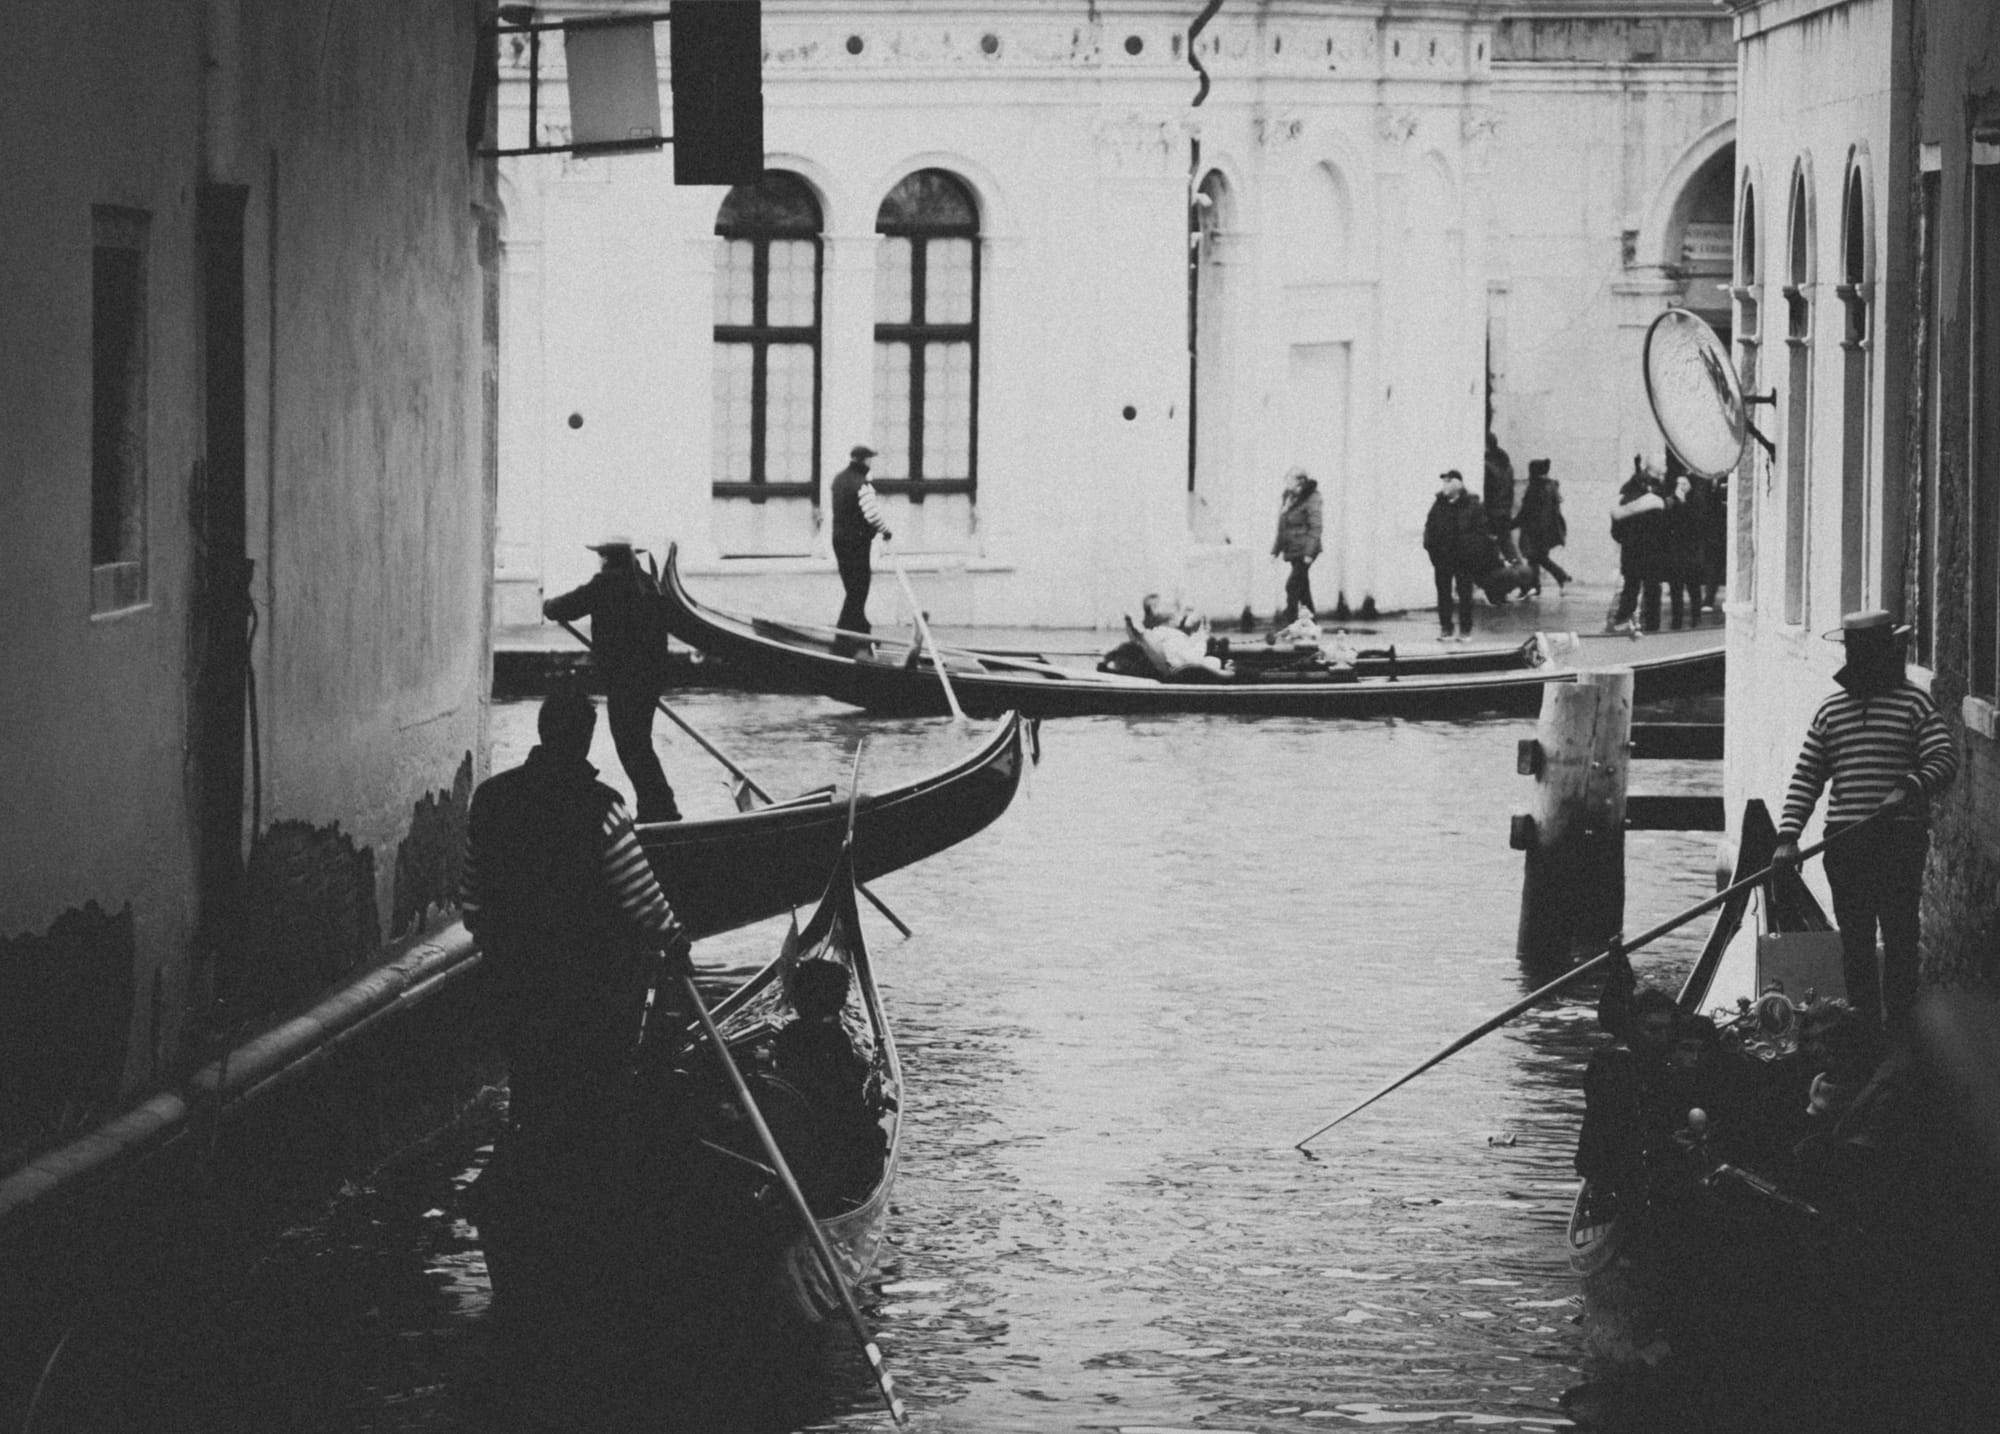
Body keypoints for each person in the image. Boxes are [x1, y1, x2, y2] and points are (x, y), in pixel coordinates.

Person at [1773, 611, 1959, 1032]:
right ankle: (1864, 1031)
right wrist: (1788, 837)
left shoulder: (1915, 703)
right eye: (1855, 650)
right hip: (1845, 841)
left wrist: (1908, 787)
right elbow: (1807, 776)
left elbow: (1944, 758)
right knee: (1855, 942)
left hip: (1899, 836)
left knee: (1899, 937)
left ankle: (1901, 1031)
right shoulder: (1831, 711)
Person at [542, 537, 681, 822]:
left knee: (631, 746)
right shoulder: (647, 583)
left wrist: (546, 604)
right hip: (650, 678)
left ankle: (659, 808)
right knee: (639, 743)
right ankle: (657, 806)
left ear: (606, 558)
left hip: (624, 679)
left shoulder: (606, 584)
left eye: (601, 556)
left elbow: (561, 608)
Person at [829, 443, 892, 656]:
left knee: (852, 587)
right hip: (857, 543)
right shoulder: (862, 485)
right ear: (864, 460)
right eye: (870, 459)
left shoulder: (838, 480)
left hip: (839, 541)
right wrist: (886, 531)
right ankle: (846, 636)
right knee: (859, 588)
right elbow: (872, 514)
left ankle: (859, 631)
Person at [1422, 468, 1497, 642]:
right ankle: (1446, 628)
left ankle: (1465, 630)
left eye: (1449, 481)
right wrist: (1432, 550)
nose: (1445, 485)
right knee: (1443, 594)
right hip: (1443, 557)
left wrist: (1472, 553)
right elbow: (1430, 527)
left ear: (1458, 483)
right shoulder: (1439, 504)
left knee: (1464, 594)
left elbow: (1482, 532)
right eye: (1444, 482)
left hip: (1464, 559)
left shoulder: (1472, 504)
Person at [1607, 456, 1673, 633]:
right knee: (1645, 588)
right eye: (1661, 468)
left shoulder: (1633, 489)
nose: (1664, 470)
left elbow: (1617, 522)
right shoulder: (1657, 492)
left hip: (1637, 549)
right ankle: (1648, 625)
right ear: (1653, 470)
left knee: (1634, 587)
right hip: (1645, 548)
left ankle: (1626, 622)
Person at [1270, 467, 1324, 625]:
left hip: (1306, 549)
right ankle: (1311, 621)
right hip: (1293, 549)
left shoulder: (1313, 498)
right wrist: (1275, 550)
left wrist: (1309, 553)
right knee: (1302, 587)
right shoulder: (1288, 497)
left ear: (1300, 482)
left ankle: (1291, 620)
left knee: (1292, 585)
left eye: (1289, 479)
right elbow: (1282, 526)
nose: (1286, 483)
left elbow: (1316, 527)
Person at [1512, 457, 1570, 596]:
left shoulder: (1536, 488)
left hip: (1536, 530)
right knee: (1535, 559)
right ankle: (1535, 586)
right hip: (1548, 530)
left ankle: (1561, 576)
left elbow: (1526, 512)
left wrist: (1511, 525)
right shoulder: (1550, 486)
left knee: (1537, 558)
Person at [1484, 432, 1521, 565]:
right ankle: (1526, 581)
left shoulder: (1486, 466)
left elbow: (1487, 493)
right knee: (1507, 547)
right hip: (1504, 512)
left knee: (1489, 547)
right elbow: (1510, 491)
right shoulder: (1507, 465)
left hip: (1491, 513)